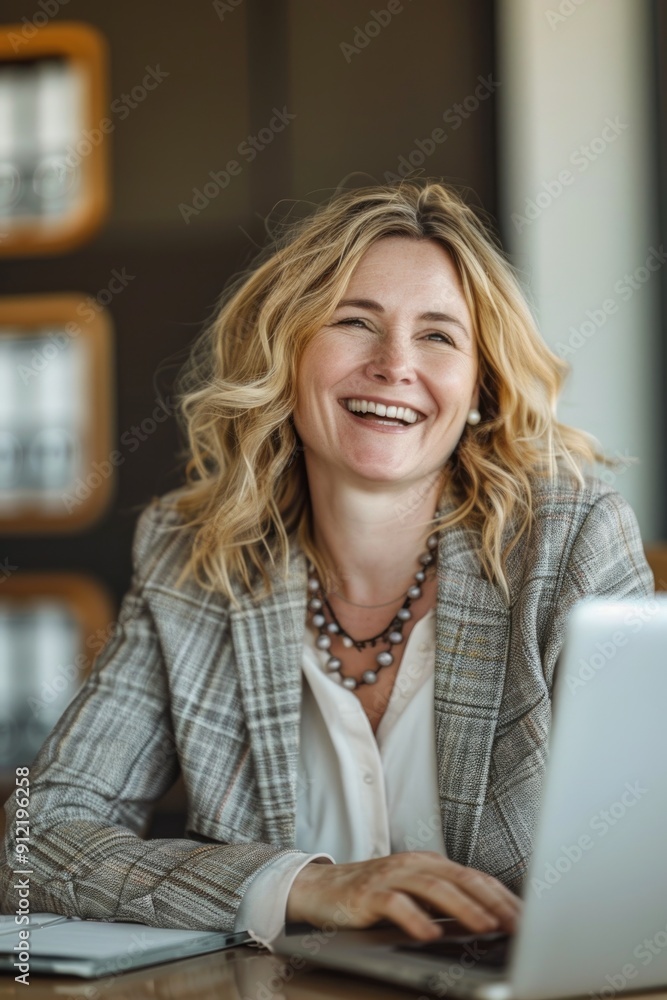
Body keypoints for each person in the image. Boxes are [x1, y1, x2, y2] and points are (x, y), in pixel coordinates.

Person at [0, 179, 653, 947]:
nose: (393, 364)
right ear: (286, 351)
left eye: (439, 335)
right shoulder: (192, 560)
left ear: (479, 385)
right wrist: (303, 885)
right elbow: (33, 842)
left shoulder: (567, 541)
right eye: (354, 322)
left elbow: (649, 835)